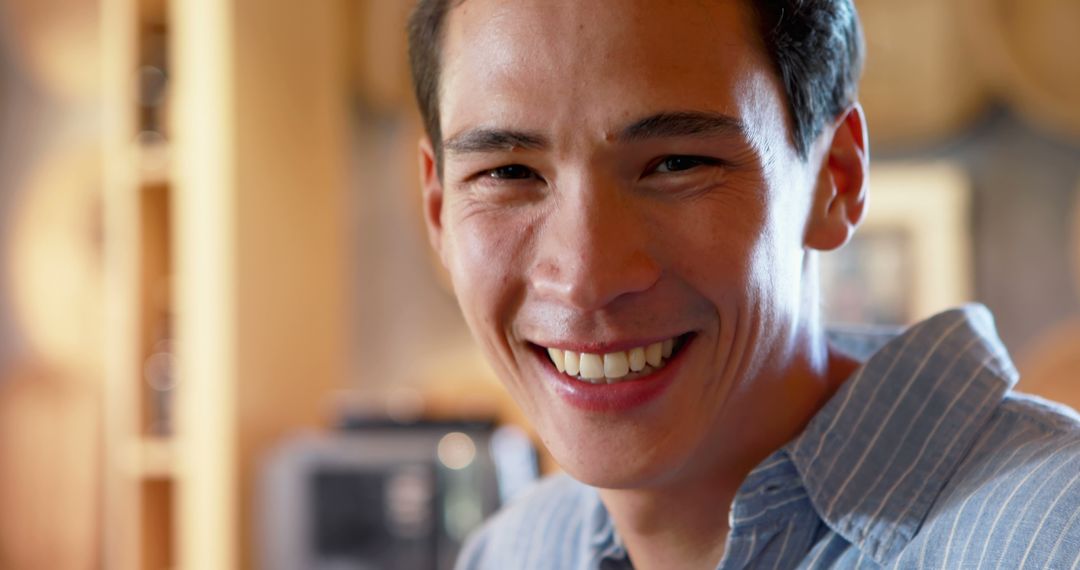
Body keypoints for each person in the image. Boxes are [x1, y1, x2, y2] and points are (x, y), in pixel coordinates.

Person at [406, 0, 1080, 568]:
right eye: (508, 174)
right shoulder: (516, 551)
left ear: (834, 180)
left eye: (675, 163)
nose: (585, 279)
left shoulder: (1051, 538)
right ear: (438, 209)